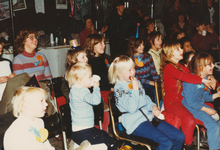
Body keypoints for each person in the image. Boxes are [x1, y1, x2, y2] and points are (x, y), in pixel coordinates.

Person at [108, 55, 185, 150]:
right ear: (119, 73)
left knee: (179, 136)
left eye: (133, 69)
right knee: (166, 143)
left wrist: (153, 107)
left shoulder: (136, 82)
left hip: (149, 118)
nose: (133, 72)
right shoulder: (119, 88)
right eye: (129, 70)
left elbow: (145, 99)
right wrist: (135, 89)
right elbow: (131, 108)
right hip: (135, 123)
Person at [160, 40, 213, 149]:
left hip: (184, 100)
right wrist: (202, 80)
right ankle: (187, 144)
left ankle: (204, 133)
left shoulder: (179, 66)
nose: (182, 50)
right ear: (170, 53)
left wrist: (210, 78)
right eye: (178, 49)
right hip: (173, 102)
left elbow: (193, 74)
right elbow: (186, 77)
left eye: (181, 48)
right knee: (188, 119)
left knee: (210, 107)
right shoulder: (169, 68)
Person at [65, 62, 115, 150]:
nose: (91, 78)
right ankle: (85, 147)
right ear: (79, 80)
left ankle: (79, 145)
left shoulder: (74, 90)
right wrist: (96, 87)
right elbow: (96, 101)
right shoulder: (83, 91)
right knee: (108, 141)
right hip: (85, 130)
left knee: (103, 134)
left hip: (77, 131)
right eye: (89, 77)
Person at [182, 52, 220, 150]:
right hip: (190, 107)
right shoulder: (190, 81)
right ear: (200, 67)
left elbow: (205, 97)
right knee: (213, 126)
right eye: (209, 64)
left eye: (212, 63)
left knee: (219, 121)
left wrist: (216, 95)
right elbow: (190, 102)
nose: (213, 65)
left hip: (199, 105)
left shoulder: (206, 79)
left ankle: (215, 143)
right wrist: (206, 110)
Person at [127, 37, 159, 101]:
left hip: (150, 78)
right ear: (133, 47)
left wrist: (157, 81)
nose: (142, 47)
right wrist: (149, 82)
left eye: (143, 44)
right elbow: (135, 77)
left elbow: (153, 71)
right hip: (140, 82)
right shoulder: (131, 60)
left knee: (157, 91)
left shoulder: (148, 56)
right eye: (139, 45)